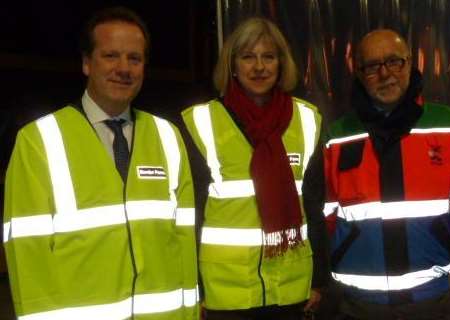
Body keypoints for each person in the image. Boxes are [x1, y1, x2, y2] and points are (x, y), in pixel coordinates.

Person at [3, 7, 198, 320]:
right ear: (86, 63)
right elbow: (28, 254)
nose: (124, 68)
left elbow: (184, 240)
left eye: (134, 59)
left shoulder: (168, 136)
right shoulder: (39, 140)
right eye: (110, 56)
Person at [322, 29, 450, 319]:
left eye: (395, 61)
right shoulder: (337, 136)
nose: (385, 74)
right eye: (372, 66)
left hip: (430, 300)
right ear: (359, 73)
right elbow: (327, 215)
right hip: (357, 305)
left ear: (410, 63)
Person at [181, 17, 330, 320]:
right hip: (225, 293)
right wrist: (195, 286)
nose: (259, 67)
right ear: (232, 65)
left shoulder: (307, 119)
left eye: (268, 56)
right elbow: (190, 214)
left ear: (281, 64)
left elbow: (315, 206)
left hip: (291, 288)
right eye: (248, 57)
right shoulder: (201, 122)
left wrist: (318, 281)